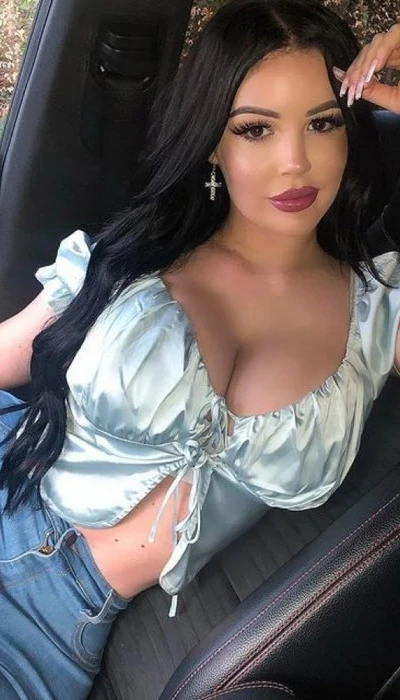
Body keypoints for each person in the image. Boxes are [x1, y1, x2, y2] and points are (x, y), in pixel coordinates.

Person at [0, 0, 400, 697]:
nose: (295, 162)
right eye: (255, 128)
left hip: (56, 623)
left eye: (322, 122)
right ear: (214, 141)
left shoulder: (379, 312)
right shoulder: (128, 260)